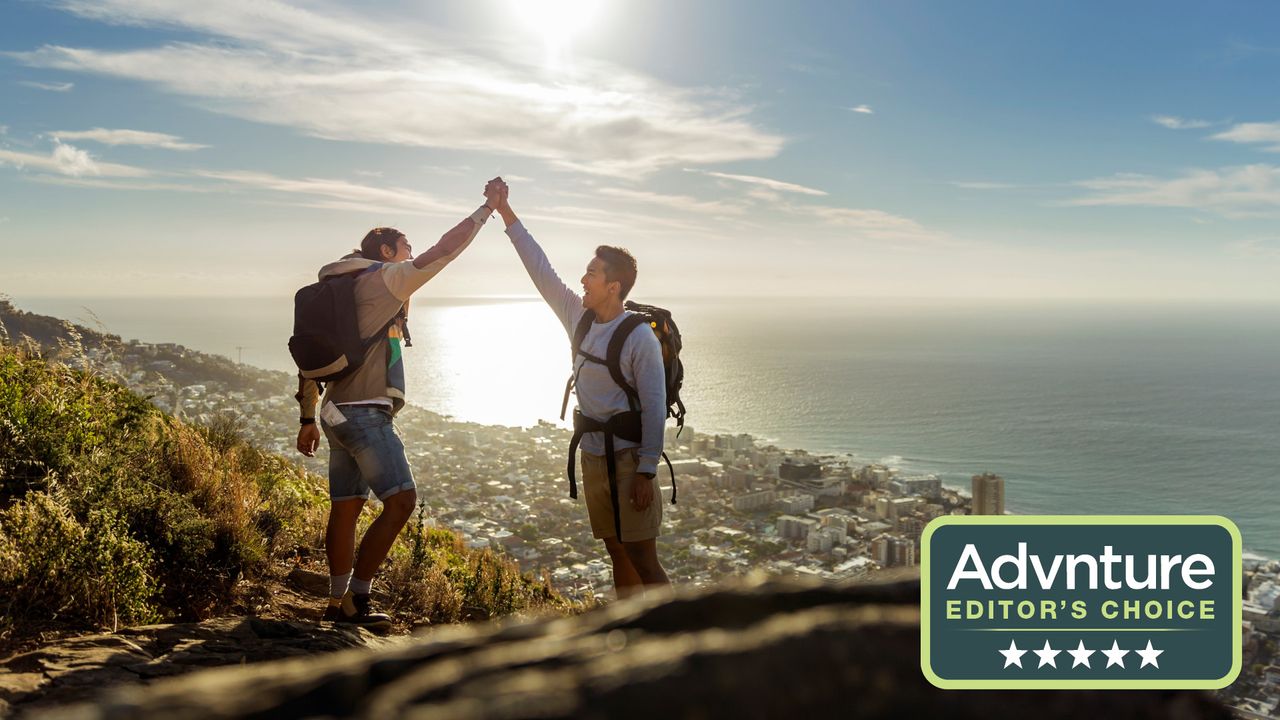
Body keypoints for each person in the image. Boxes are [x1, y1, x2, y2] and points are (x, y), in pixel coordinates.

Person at [295, 180, 504, 627]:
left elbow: (311, 354)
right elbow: (444, 251)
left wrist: (307, 417)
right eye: (405, 246)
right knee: (402, 502)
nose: (412, 252)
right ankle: (357, 601)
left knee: (346, 507)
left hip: (334, 413)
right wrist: (487, 210)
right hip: (365, 414)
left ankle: (334, 602)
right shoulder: (386, 278)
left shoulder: (342, 287)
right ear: (387, 252)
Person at [492, 178, 671, 598]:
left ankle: (680, 637)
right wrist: (505, 212)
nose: (583, 279)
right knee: (616, 550)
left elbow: (655, 404)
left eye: (592, 273)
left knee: (643, 555)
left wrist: (647, 470)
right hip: (593, 453)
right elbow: (541, 270)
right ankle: (631, 628)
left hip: (628, 460)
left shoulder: (638, 337)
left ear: (615, 286)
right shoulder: (580, 317)